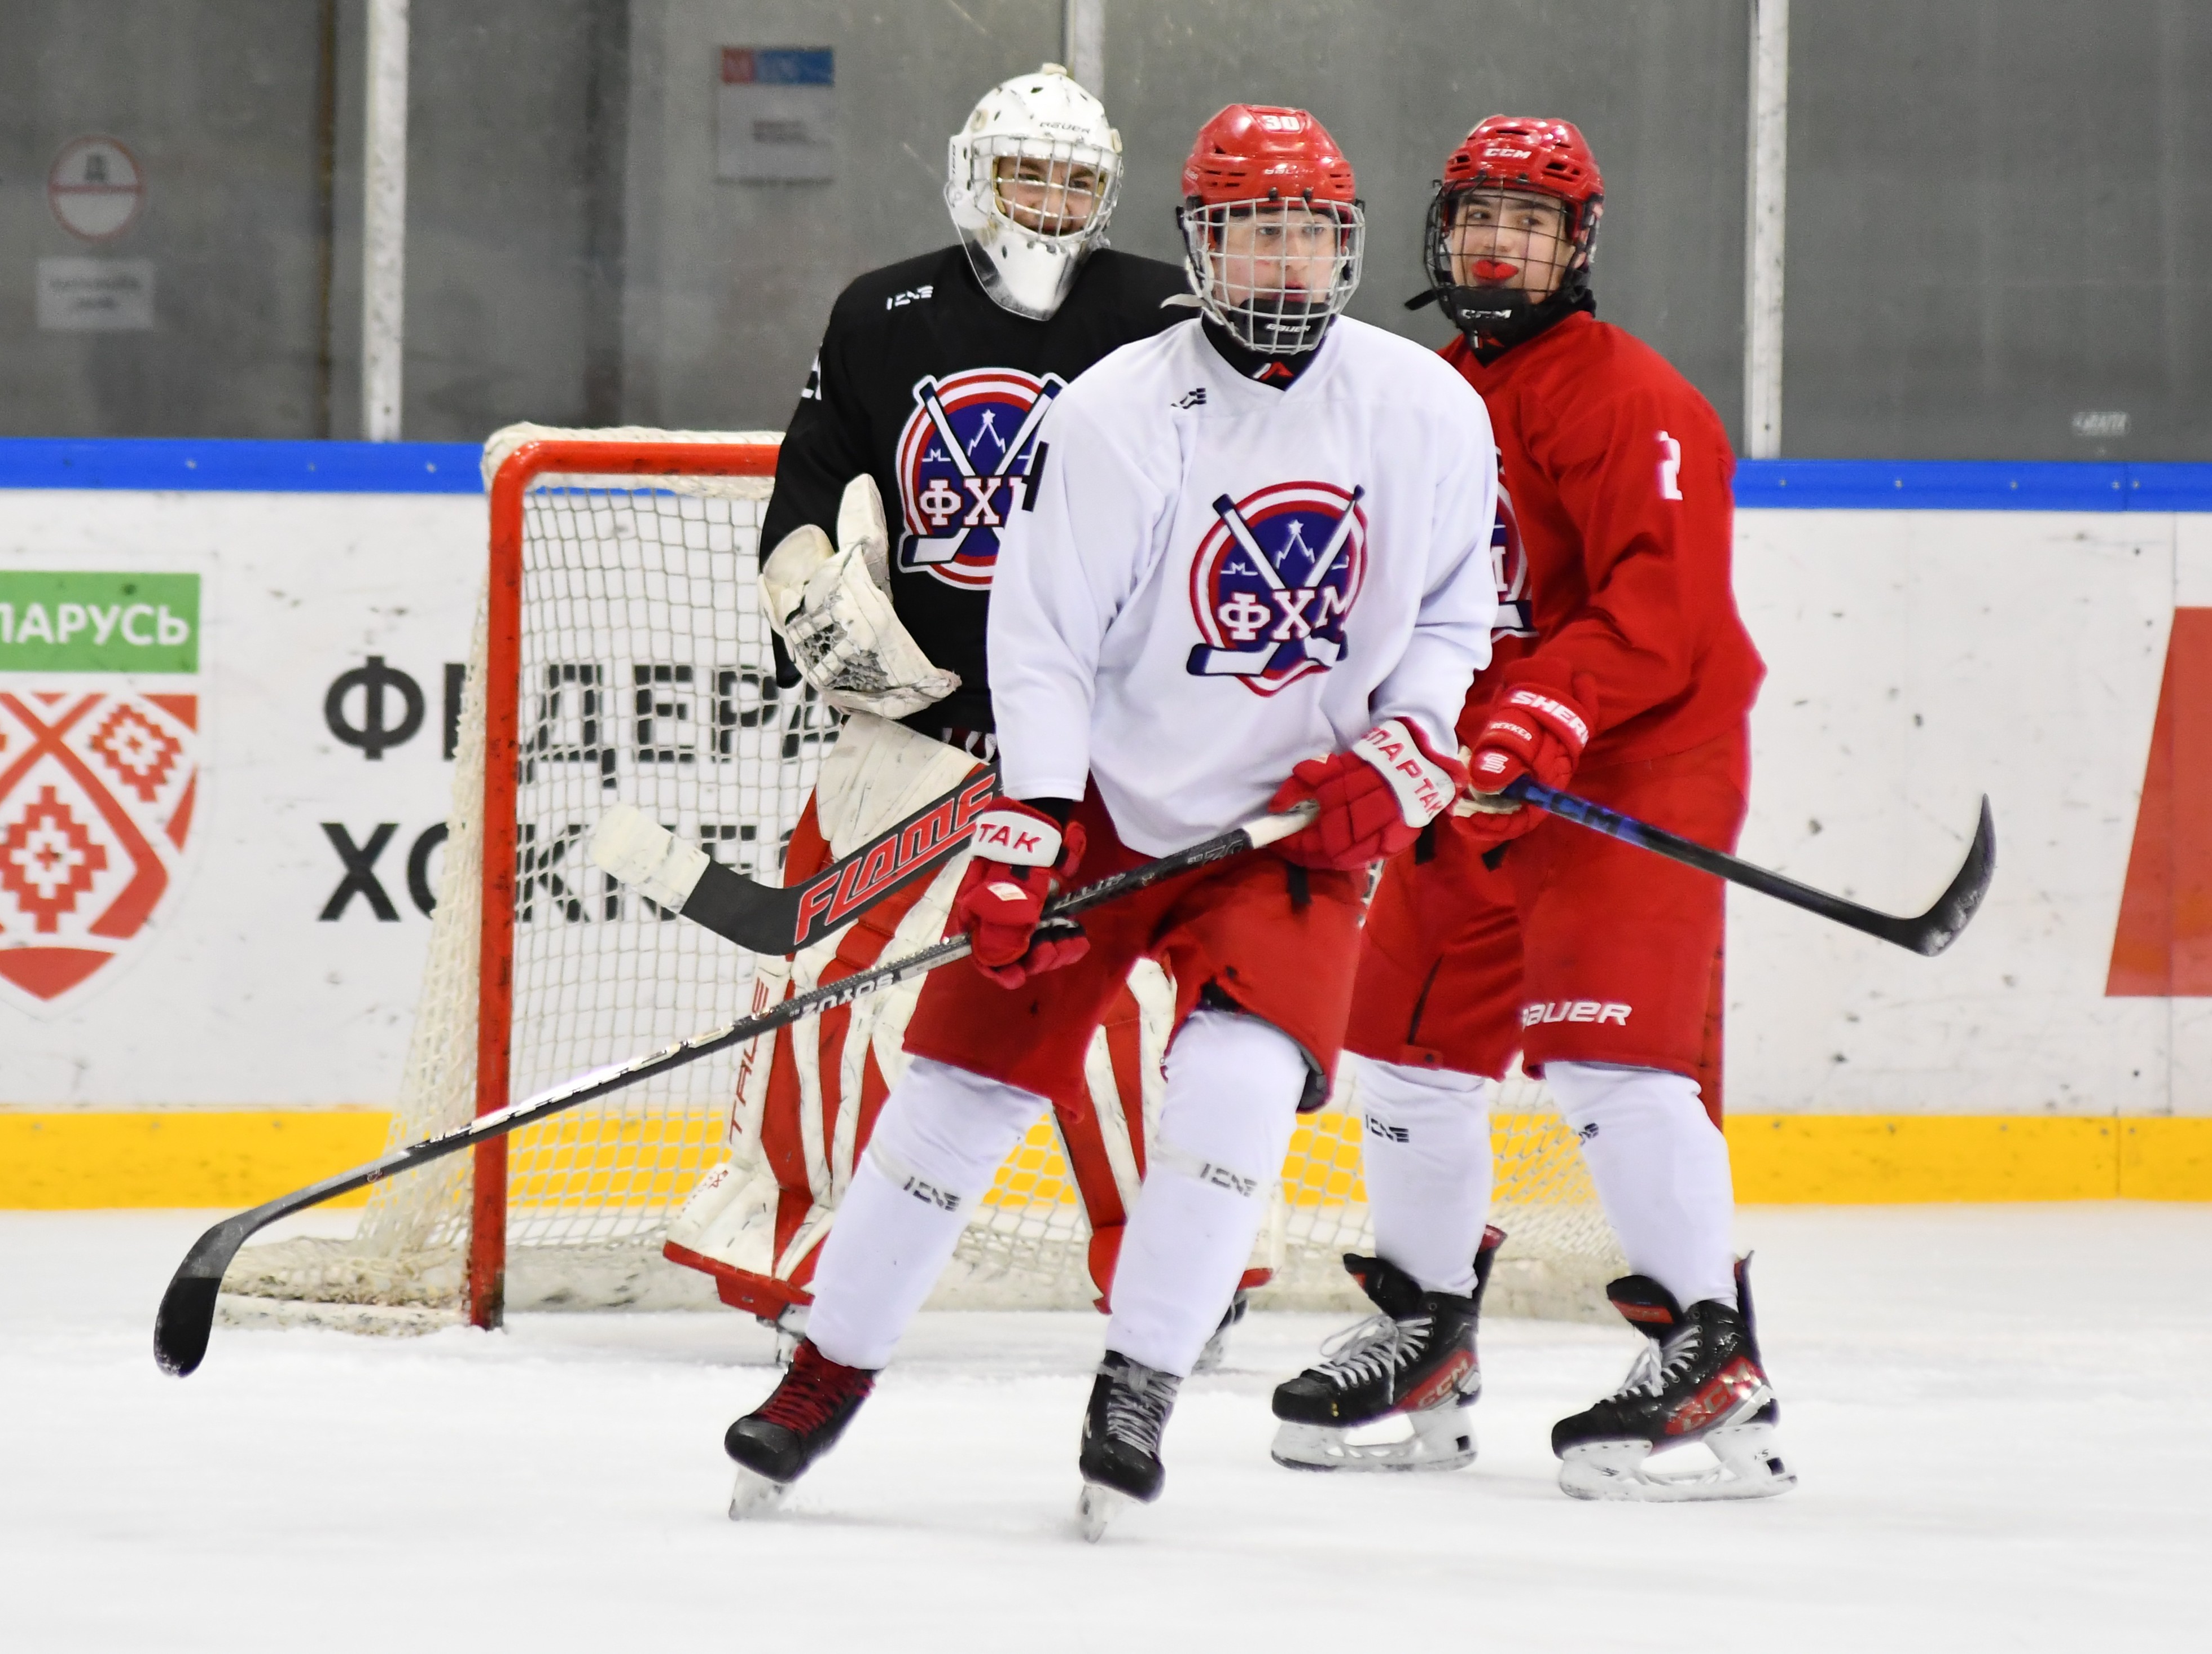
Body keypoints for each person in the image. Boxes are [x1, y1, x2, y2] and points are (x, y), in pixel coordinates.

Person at [722, 104, 1499, 1536]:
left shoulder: (1428, 407)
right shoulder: (1120, 409)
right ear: (1202, 244)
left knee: (1235, 1098)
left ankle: (1137, 1382)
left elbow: (1455, 615)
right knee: (953, 1098)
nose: (1285, 258)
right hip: (1107, 815)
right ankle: (827, 1371)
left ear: (1350, 244)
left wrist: (1406, 745)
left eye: (1313, 230)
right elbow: (1044, 640)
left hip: (1293, 833)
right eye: (1256, 228)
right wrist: (1029, 823)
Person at [1269, 116, 1794, 1502]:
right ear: (1439, 236)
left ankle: (1718, 1359)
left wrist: (1530, 717)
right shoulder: (1420, 393)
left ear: (1579, 247)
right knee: (1408, 1054)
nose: (1501, 242)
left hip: (1632, 764)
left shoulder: (1633, 399)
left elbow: (1657, 615)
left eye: (1534, 221)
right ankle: (1430, 1331)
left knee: (1611, 1063)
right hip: (1481, 766)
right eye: (1479, 217)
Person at [661, 67, 1196, 1338]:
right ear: (976, 174)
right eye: (1029, 172)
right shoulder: (884, 311)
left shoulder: (1160, 314)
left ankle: (1172, 1264)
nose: (1051, 201)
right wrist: (813, 598)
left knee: (1131, 998)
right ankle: (793, 1239)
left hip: (1106, 745)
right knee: (824, 980)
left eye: (1076, 178)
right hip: (916, 741)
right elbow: (812, 488)